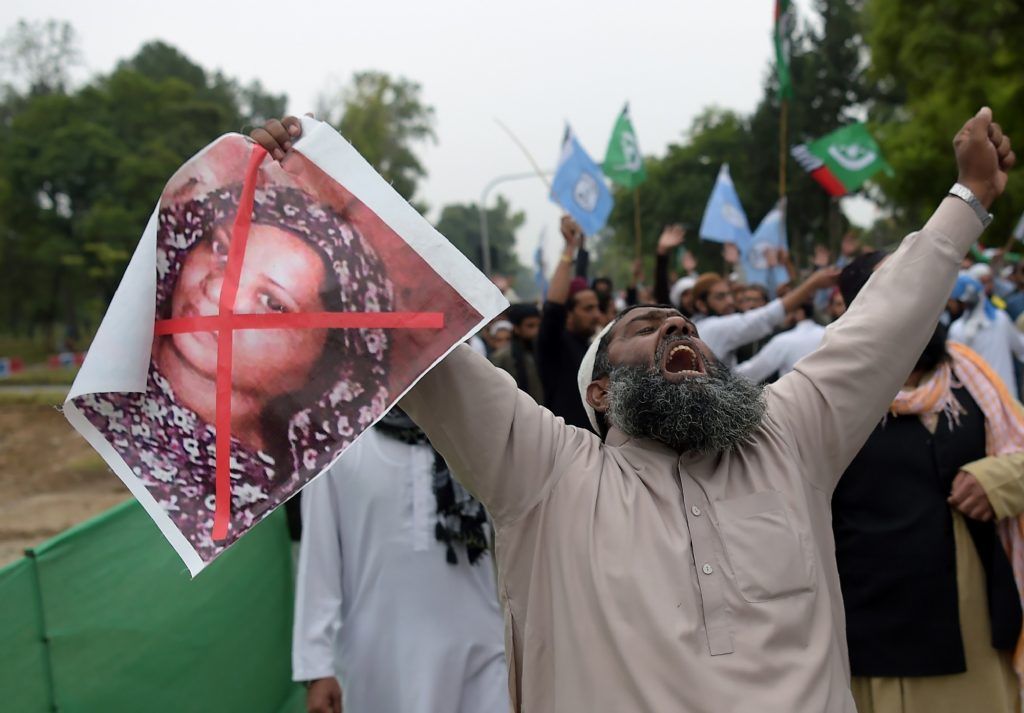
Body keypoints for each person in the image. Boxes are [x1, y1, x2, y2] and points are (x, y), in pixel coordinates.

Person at [257, 107, 1016, 713]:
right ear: (598, 393)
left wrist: (968, 199)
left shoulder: (785, 438)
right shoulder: (547, 476)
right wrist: (320, 203)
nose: (679, 327)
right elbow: (430, 344)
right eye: (647, 327)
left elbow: (879, 325)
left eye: (681, 323)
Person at [75, 175, 393, 559]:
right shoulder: (107, 415)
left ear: (330, 366)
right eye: (222, 250)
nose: (221, 291)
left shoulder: (322, 481)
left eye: (272, 302)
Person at [833, 254, 1024, 713]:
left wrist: (998, 478)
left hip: (973, 627)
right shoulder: (827, 389)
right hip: (873, 634)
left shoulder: (970, 376)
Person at [292, 409, 508, 713]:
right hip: (378, 662)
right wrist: (316, 667)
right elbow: (319, 558)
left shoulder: (469, 429)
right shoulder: (335, 441)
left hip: (480, 650)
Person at [690, 267, 840, 368]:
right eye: (720, 297)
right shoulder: (712, 327)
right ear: (701, 305)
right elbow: (765, 317)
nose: (730, 301)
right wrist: (812, 284)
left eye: (729, 295)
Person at [535, 216, 602, 430]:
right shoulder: (555, 344)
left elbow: (581, 276)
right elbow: (554, 307)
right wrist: (569, 248)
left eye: (597, 308)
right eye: (587, 309)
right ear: (569, 315)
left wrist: (582, 247)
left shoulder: (590, 345)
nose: (596, 315)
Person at [947, 272, 1024, 395]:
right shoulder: (1000, 318)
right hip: (1006, 397)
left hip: (979, 398)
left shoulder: (957, 329)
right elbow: (1020, 348)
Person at [733, 302, 824, 383]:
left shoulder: (784, 340)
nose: (782, 317)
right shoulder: (827, 334)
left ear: (800, 312)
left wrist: (725, 372)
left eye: (786, 311)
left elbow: (752, 372)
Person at [490, 302, 544, 404]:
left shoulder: (542, 352)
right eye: (530, 326)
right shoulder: (501, 356)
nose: (536, 331)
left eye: (538, 325)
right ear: (517, 328)